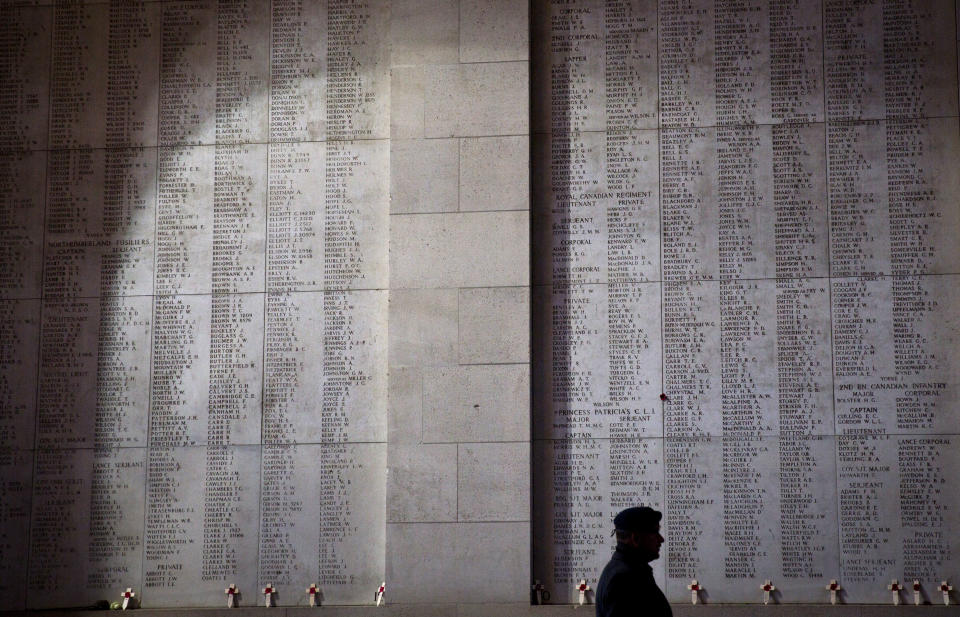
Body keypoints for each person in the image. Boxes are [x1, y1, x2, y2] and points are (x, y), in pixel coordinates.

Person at [595, 506, 671, 617]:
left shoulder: (631, 570)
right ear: (635, 538)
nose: (661, 539)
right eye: (655, 532)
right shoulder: (623, 579)